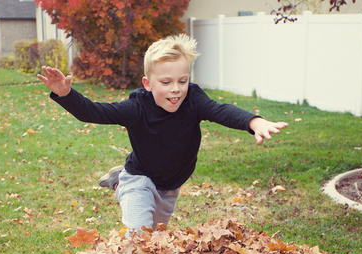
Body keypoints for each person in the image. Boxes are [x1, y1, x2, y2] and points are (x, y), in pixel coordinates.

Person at [38, 34, 287, 234]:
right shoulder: (136, 108)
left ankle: (116, 181)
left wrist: (253, 121)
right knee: (139, 235)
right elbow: (95, 112)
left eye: (182, 80)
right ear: (148, 84)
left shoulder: (194, 100)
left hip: (170, 187)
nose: (176, 89)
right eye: (166, 82)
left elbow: (219, 110)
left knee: (157, 238)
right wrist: (65, 94)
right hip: (140, 178)